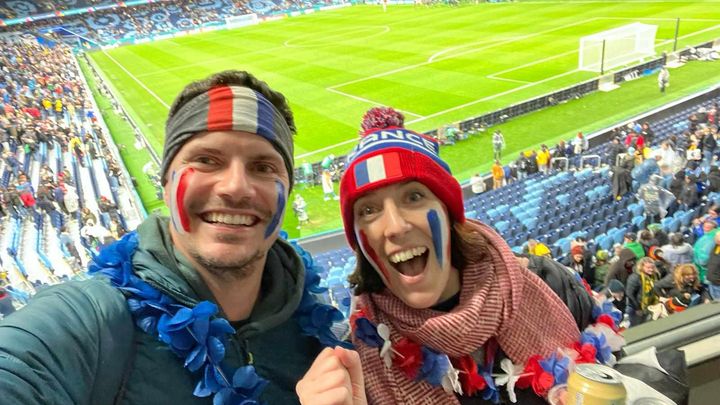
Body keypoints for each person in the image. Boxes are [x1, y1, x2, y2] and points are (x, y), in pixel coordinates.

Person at [0, 71, 345, 405]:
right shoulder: (90, 321)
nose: (236, 187)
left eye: (264, 167)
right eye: (207, 160)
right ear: (166, 183)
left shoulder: (313, 323)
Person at [299, 107, 593, 404]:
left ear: (448, 212)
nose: (396, 227)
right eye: (368, 210)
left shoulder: (552, 284)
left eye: (414, 197)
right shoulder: (356, 361)